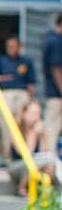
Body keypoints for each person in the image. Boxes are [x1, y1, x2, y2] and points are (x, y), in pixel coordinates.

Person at [5, 100, 62, 197]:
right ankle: (22, 188)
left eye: (38, 114)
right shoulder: (16, 130)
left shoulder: (40, 130)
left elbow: (42, 153)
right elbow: (27, 155)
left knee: (50, 162)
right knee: (37, 163)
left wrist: (44, 136)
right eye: (32, 113)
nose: (36, 117)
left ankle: (46, 192)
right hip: (17, 165)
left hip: (36, 164)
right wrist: (33, 134)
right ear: (23, 113)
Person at [0, 36, 37, 158]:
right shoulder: (1, 60)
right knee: (5, 124)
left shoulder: (26, 61)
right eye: (8, 46)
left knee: (23, 124)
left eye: (13, 46)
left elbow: (31, 84)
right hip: (5, 93)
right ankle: (8, 156)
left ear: (19, 47)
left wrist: (31, 101)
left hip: (22, 94)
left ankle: (25, 154)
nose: (10, 49)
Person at [42, 13, 62, 156]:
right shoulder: (55, 41)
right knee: (52, 127)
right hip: (56, 93)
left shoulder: (52, 40)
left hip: (55, 92)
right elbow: (56, 69)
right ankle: (49, 159)